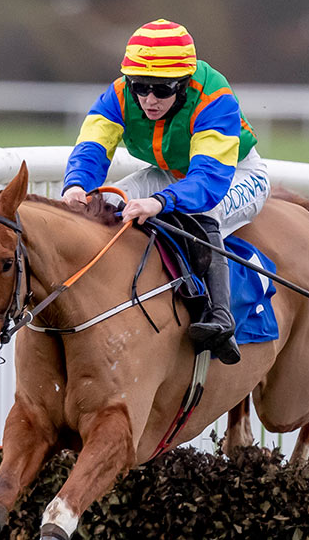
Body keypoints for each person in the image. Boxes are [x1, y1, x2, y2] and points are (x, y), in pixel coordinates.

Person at [61, 19, 270, 365]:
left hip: (234, 173)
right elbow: (92, 146)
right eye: (140, 87)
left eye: (162, 89)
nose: (148, 100)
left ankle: (220, 317)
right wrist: (77, 186)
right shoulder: (119, 95)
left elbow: (208, 182)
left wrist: (161, 201)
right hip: (169, 173)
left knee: (202, 213)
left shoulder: (213, 96)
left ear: (185, 84)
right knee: (105, 204)